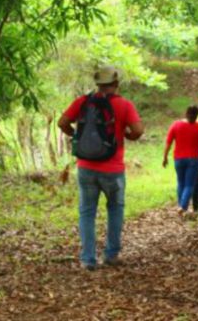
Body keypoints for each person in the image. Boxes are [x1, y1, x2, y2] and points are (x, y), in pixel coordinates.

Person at [58, 65, 144, 271]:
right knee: (115, 209)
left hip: (86, 167)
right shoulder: (124, 105)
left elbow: (62, 122)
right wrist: (126, 135)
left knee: (87, 212)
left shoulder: (83, 102)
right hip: (113, 169)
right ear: (115, 84)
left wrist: (77, 136)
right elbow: (138, 130)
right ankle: (111, 255)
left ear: (98, 84)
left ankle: (88, 259)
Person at [163, 106, 198, 217]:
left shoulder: (176, 125)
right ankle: (183, 206)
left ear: (186, 114)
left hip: (179, 159)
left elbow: (168, 143)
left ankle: (181, 206)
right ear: (197, 116)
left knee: (181, 183)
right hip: (193, 159)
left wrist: (165, 157)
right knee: (189, 184)